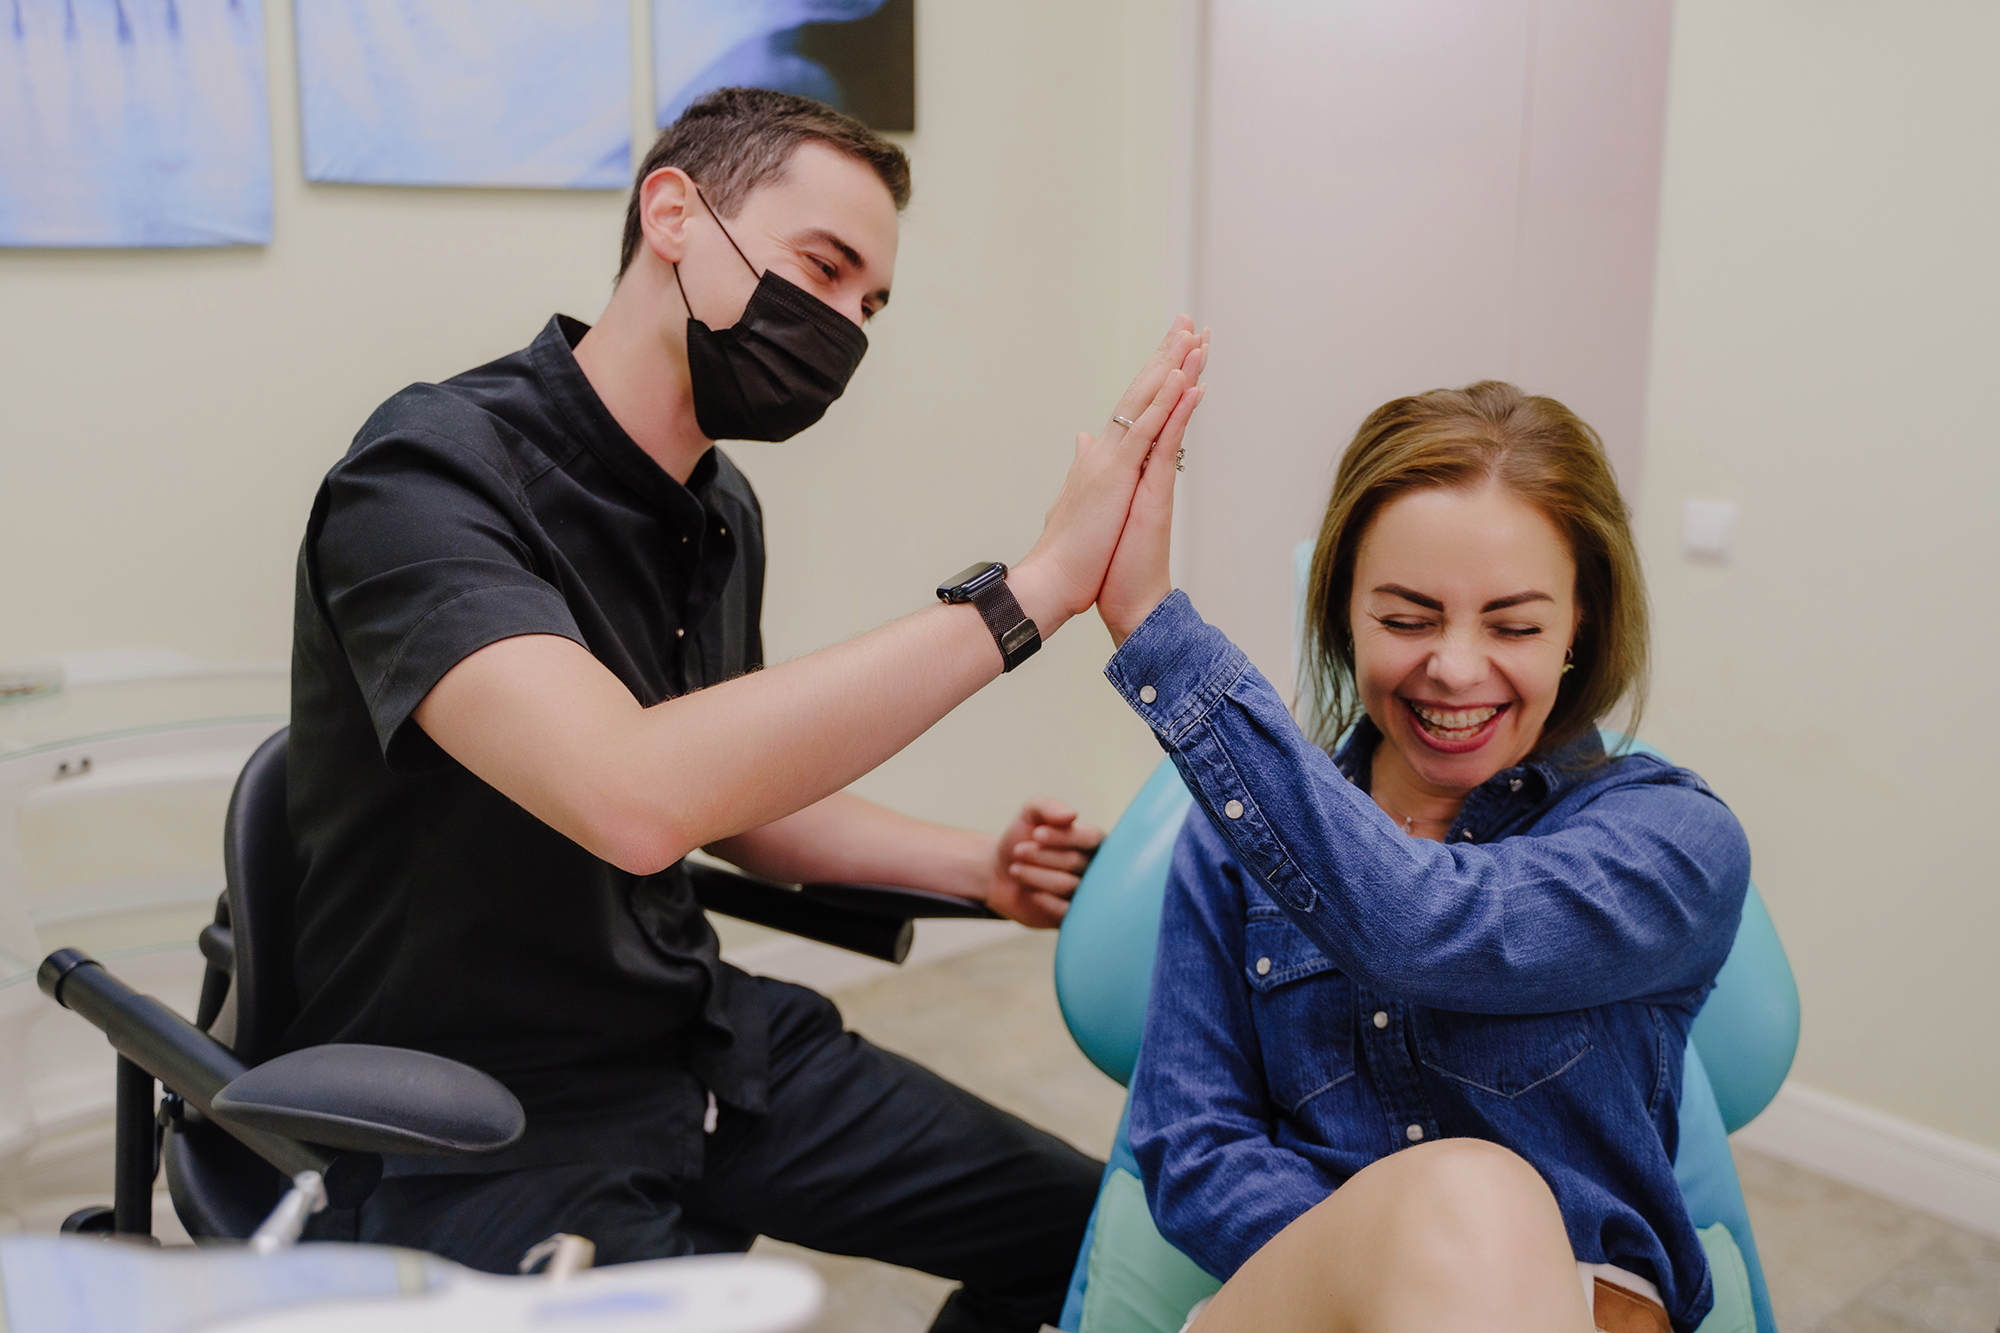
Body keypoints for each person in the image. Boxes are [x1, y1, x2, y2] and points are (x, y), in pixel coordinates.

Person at [286, 87, 1206, 1333]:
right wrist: (1030, 592)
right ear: (673, 212)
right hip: (478, 1111)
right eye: (821, 269)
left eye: (868, 304)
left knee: (1090, 1245)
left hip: (698, 1043)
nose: (840, 326)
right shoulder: (425, 475)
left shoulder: (719, 509)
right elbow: (635, 794)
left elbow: (734, 791)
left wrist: (976, 870)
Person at [1090, 382, 1753, 1333]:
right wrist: (1387, 1267)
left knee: (1477, 1200)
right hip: (1304, 1301)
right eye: (1406, 619)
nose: (1455, 667)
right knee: (1468, 1196)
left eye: (1515, 625)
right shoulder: (1235, 843)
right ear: (1344, 615)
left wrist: (1159, 632)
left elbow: (1427, 923)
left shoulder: (1675, 843)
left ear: (1580, 631)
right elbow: (1193, 1144)